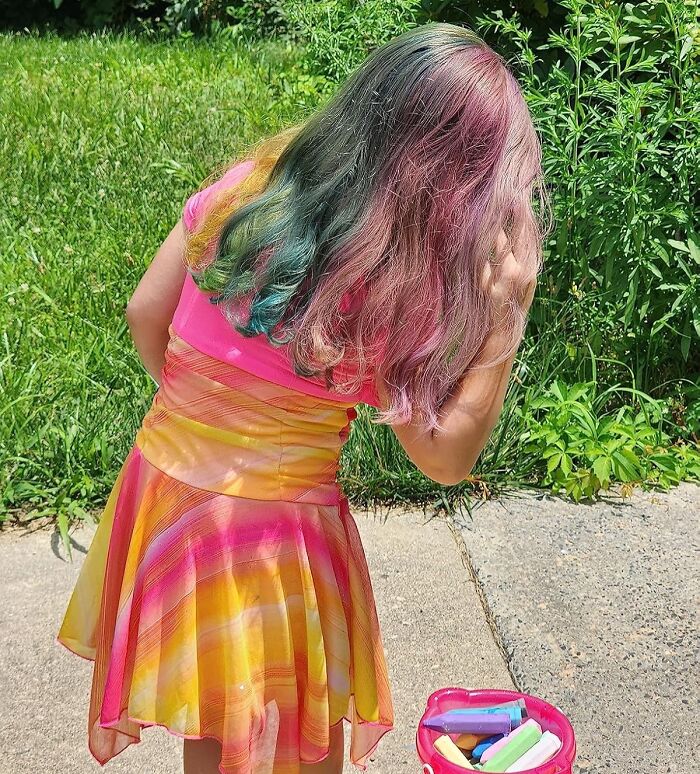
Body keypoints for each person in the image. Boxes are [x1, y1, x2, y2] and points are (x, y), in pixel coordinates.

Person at [57, 21, 549, 774]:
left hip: (167, 494)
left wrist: (211, 424)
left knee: (216, 719)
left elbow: (143, 312)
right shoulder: (383, 279)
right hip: (272, 537)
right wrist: (508, 312)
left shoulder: (248, 188)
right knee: (290, 743)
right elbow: (446, 458)